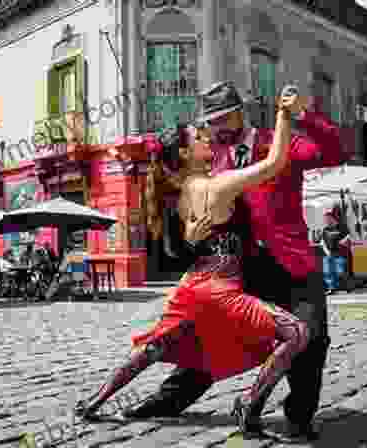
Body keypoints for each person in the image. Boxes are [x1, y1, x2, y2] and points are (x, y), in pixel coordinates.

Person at [74, 92, 310, 437]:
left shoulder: (179, 192)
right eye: (199, 137)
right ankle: (249, 402)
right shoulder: (215, 186)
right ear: (185, 153)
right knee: (297, 332)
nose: (207, 137)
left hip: (189, 289)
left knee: (151, 350)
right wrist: (282, 116)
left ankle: (95, 401)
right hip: (219, 289)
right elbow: (275, 162)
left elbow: (181, 250)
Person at [124, 81, 350, 440]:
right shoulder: (208, 158)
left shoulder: (277, 141)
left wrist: (303, 113)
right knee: (206, 337)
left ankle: (298, 418)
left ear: (237, 113)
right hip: (240, 269)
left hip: (291, 264)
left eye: (218, 119)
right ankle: (166, 401)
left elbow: (335, 152)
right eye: (208, 122)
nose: (212, 129)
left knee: (313, 338)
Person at [321, 207, 349, 295]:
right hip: (329, 254)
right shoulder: (325, 230)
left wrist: (342, 243)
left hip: (340, 254)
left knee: (340, 271)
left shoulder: (342, 227)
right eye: (325, 219)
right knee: (327, 271)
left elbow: (347, 238)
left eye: (328, 219)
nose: (326, 221)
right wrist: (327, 251)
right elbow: (323, 242)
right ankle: (331, 288)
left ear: (333, 218)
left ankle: (345, 287)